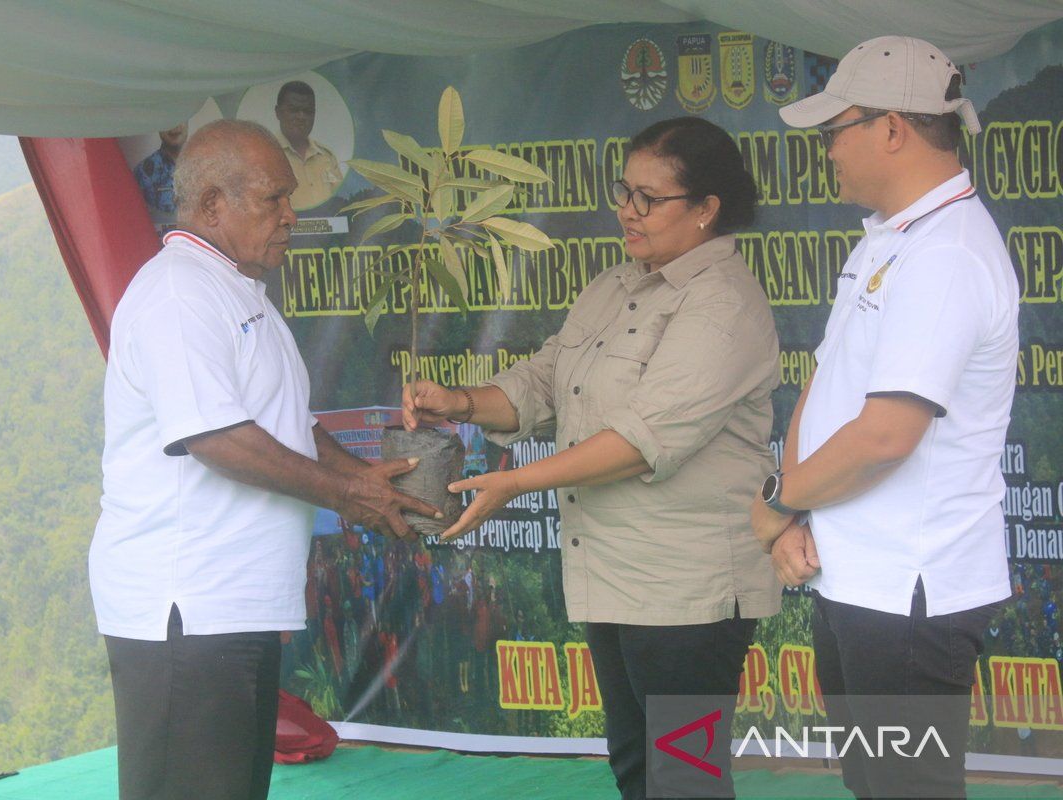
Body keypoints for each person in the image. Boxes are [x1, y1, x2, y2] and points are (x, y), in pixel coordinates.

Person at [403, 117, 781, 799]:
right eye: (622, 191)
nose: (626, 211)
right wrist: (457, 401)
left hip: (685, 591)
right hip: (611, 575)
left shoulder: (724, 304)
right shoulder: (615, 284)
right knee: (636, 768)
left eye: (648, 197)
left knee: (685, 780)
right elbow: (544, 384)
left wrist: (515, 482)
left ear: (705, 209)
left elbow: (643, 440)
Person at [90, 119, 440, 800]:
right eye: (273, 200)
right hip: (184, 611)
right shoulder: (178, 294)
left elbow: (290, 429)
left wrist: (366, 483)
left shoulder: (235, 288)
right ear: (213, 205)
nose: (291, 215)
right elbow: (216, 438)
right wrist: (346, 497)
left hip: (230, 609)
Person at [753, 36, 1018, 799]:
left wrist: (778, 504)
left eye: (837, 131)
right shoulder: (895, 238)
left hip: (910, 590)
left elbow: (884, 437)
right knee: (878, 786)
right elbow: (828, 383)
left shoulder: (946, 255)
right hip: (857, 573)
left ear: (893, 129)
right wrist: (795, 507)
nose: (827, 151)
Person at [275, 80, 343, 210]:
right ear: (278, 112)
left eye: (308, 111)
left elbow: (340, 200)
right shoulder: (267, 154)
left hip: (327, 228)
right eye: (293, 110)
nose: (301, 117)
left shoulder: (326, 156)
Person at [133, 122, 187, 215]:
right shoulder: (142, 171)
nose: (174, 127)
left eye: (179, 119)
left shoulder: (205, 168)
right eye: (168, 120)